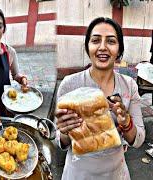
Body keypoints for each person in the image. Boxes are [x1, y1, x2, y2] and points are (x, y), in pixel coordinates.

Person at [55, 17, 145, 180]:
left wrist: (126, 122)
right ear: (88, 46)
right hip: (78, 174)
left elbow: (138, 140)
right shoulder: (69, 85)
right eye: (95, 40)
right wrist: (64, 132)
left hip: (116, 174)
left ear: (119, 49)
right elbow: (59, 141)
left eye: (111, 41)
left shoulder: (128, 86)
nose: (102, 47)